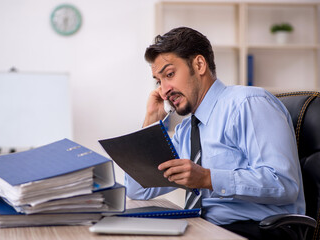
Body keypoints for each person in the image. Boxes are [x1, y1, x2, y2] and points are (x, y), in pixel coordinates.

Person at [125, 27, 305, 240]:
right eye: (158, 81)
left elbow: (284, 184)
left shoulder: (248, 103)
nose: (163, 90)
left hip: (254, 230)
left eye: (170, 74)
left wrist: (208, 178)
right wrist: (150, 124)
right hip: (204, 228)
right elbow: (139, 190)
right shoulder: (185, 130)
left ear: (199, 65)